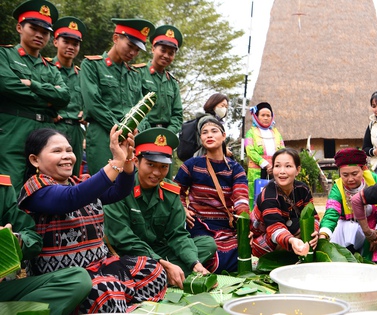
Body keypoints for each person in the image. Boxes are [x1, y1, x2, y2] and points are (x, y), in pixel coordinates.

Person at [17, 126, 167, 313]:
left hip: (101, 266)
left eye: (69, 150)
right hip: (67, 278)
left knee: (153, 271)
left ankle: (124, 305)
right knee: (106, 292)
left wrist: (127, 158)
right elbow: (71, 198)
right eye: (57, 151)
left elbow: (119, 191)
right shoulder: (35, 190)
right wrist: (116, 161)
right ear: (35, 160)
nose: (66, 156)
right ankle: (118, 303)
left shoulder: (79, 183)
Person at [104, 128, 217, 289]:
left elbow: (177, 235)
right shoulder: (118, 190)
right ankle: (167, 274)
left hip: (160, 251)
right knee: (127, 264)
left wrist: (194, 263)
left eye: (163, 167)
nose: (157, 172)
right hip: (129, 253)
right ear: (136, 161)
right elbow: (124, 239)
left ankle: (164, 275)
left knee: (207, 244)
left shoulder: (170, 192)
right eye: (150, 164)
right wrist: (163, 263)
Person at [0, 0, 70, 190]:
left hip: (44, 133)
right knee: (10, 187)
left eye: (45, 31)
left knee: (45, 188)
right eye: (34, 28)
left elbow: (64, 97)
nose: (40, 35)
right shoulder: (4, 55)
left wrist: (33, 84)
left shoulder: (51, 68)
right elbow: (7, 86)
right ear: (19, 27)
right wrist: (48, 101)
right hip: (14, 129)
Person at [0, 174, 91, 315]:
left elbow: (32, 237)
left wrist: (15, 240)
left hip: (3, 288)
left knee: (78, 279)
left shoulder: (2, 188)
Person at [80, 18, 155, 175]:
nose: (133, 53)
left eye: (137, 50)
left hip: (130, 139)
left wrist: (137, 129)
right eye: (130, 46)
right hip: (103, 135)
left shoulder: (134, 75)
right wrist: (120, 130)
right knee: (103, 186)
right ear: (115, 38)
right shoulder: (92, 65)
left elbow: (142, 110)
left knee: (128, 188)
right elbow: (93, 105)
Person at [175, 117, 250, 273]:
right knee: (211, 249)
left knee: (248, 249)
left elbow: (241, 198)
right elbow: (175, 191)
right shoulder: (192, 164)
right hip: (198, 224)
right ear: (201, 139)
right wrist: (182, 207)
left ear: (223, 136)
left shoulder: (235, 169)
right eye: (204, 133)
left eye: (214, 131)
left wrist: (244, 225)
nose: (209, 135)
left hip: (226, 226)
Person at [250, 148, 319, 258]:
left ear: (297, 170)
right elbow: (274, 227)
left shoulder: (303, 189)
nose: (282, 171)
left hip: (290, 230)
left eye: (288, 166)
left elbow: (313, 217)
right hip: (265, 238)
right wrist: (291, 240)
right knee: (288, 232)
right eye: (277, 166)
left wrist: (315, 232)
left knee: (306, 228)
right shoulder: (268, 195)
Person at [318, 148, 377, 259]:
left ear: (363, 169)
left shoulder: (374, 180)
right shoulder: (338, 188)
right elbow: (331, 213)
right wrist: (323, 236)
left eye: (354, 174)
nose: (350, 179)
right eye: (345, 175)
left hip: (374, 226)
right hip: (347, 229)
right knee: (349, 228)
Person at [51, 16, 87, 177]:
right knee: (49, 173)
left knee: (73, 174)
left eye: (75, 43)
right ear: (55, 42)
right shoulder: (45, 67)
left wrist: (85, 112)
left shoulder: (82, 74)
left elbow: (90, 100)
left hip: (76, 129)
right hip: (52, 126)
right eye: (66, 41)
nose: (71, 46)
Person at [136, 25, 183, 135]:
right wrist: (147, 131)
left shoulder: (172, 82)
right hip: (141, 133)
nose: (166, 56)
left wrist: (168, 133)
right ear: (153, 49)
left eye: (171, 53)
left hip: (165, 137)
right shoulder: (138, 73)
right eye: (163, 50)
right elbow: (133, 105)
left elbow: (177, 115)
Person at [244, 102, 285, 208]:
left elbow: (283, 151)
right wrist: (266, 164)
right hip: (257, 172)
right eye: (263, 115)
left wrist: (276, 166)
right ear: (256, 117)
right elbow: (250, 150)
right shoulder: (250, 133)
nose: (266, 118)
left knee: (276, 196)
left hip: (275, 171)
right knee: (256, 197)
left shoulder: (277, 133)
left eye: (268, 115)